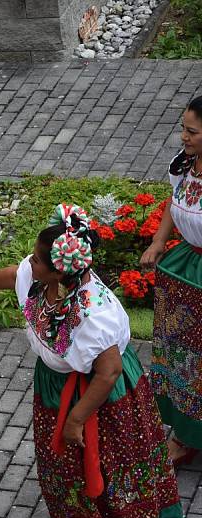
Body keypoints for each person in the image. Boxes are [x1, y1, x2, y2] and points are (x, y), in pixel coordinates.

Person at [0, 204, 181, 518]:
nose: (30, 262)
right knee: (67, 468)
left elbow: (107, 373)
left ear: (58, 272)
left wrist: (76, 419)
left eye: (36, 260)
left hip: (100, 396)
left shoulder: (92, 316)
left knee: (111, 461)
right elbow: (14, 274)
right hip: (57, 384)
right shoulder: (45, 278)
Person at [140, 95, 202, 465]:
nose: (183, 137)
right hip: (184, 267)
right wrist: (159, 241)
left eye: (192, 131)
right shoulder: (183, 165)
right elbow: (173, 201)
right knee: (181, 355)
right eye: (183, 128)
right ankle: (186, 432)